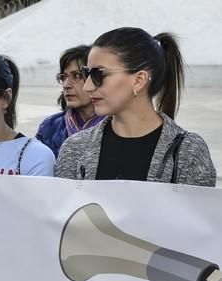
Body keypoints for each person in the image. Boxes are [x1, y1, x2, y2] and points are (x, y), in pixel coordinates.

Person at [56, 27, 215, 186]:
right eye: (86, 74)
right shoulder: (75, 148)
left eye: (98, 74)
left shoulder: (188, 152)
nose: (87, 86)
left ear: (139, 80)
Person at [35, 45, 104, 156]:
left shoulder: (116, 126)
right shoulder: (49, 127)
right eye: (63, 77)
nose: (66, 85)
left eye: (76, 76)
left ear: (95, 77)